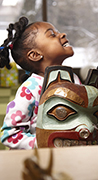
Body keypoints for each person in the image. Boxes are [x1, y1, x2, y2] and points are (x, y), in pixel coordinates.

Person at [0, 16, 81, 149]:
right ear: (35, 55)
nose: (62, 34)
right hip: (42, 160)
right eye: (52, 34)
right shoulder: (30, 90)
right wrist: (46, 143)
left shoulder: (74, 79)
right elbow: (10, 135)